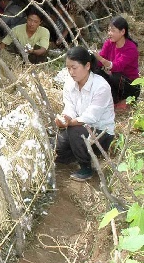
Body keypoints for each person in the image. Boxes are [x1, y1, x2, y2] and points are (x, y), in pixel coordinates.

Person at [55, 46, 115, 181]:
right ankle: (80, 154)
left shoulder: (101, 86)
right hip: (83, 130)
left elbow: (91, 117)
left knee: (75, 130)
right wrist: (65, 118)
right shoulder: (70, 84)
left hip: (101, 134)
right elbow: (69, 107)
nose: (71, 72)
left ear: (87, 66)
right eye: (68, 68)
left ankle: (86, 168)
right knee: (58, 149)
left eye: (74, 68)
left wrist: (70, 123)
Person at [93, 16, 140, 109]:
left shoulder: (131, 48)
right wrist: (92, 60)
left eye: (113, 31)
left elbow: (118, 66)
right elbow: (100, 60)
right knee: (96, 71)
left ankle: (126, 100)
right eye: (109, 30)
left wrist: (101, 59)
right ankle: (112, 99)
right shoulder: (109, 43)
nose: (109, 33)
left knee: (115, 76)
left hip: (130, 86)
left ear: (122, 32)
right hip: (116, 82)